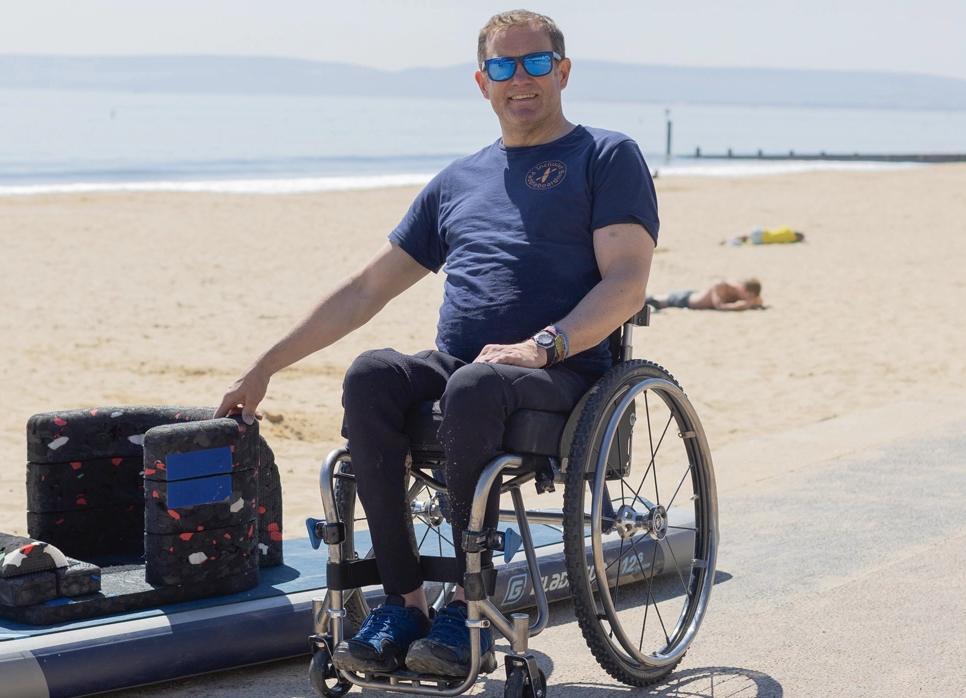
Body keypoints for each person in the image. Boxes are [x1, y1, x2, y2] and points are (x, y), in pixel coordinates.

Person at [215, 10, 657, 678]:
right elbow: (365, 289)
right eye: (502, 66)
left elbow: (626, 283)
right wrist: (263, 366)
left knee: (473, 384)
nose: (520, 78)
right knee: (371, 374)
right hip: (466, 368)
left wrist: (543, 345)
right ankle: (404, 605)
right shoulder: (458, 180)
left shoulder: (605, 156)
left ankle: (468, 605)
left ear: (562, 72)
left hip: (562, 370)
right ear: (483, 82)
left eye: (536, 62)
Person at [647, 278, 762, 311]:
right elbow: (720, 306)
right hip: (686, 299)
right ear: (743, 289)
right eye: (747, 296)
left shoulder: (738, 289)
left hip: (694, 294)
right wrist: (744, 305)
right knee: (653, 301)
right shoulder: (721, 285)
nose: (747, 299)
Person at [722, 226, 804, 246]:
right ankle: (729, 242)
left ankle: (727, 239)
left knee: (745, 234)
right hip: (761, 241)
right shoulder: (790, 241)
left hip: (763, 233)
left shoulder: (788, 230)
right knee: (745, 240)